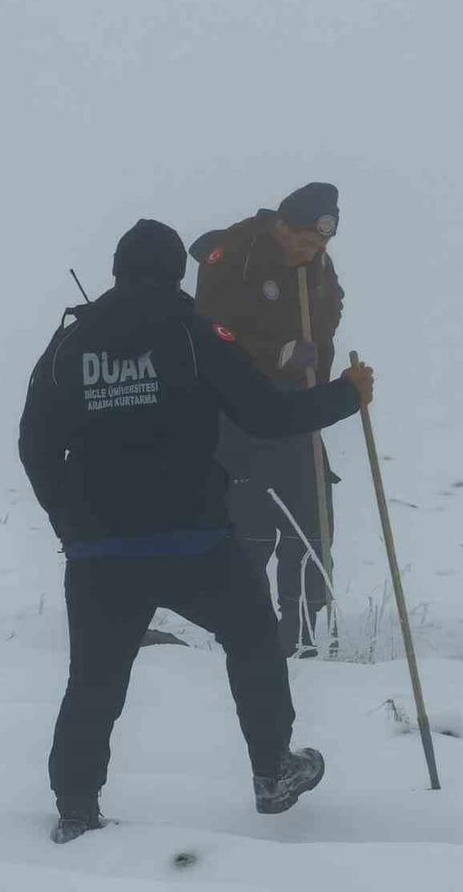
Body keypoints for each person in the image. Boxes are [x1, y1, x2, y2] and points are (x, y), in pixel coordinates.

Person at [18, 219, 374, 844]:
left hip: (101, 551)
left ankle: (76, 808)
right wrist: (346, 395)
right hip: (195, 542)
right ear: (175, 274)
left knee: (94, 680)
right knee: (256, 642)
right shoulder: (194, 334)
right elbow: (265, 414)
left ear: (118, 270)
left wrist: (70, 522)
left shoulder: (69, 346)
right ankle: (273, 772)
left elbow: (33, 446)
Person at [189, 183, 344, 656]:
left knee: (312, 517)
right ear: (283, 224)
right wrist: (275, 354)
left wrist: (321, 362)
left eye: (320, 244)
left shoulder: (317, 261)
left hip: (298, 407)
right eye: (305, 240)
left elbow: (331, 306)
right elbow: (209, 329)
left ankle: (304, 629)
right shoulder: (235, 251)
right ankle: (248, 632)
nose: (312, 250)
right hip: (243, 413)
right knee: (251, 527)